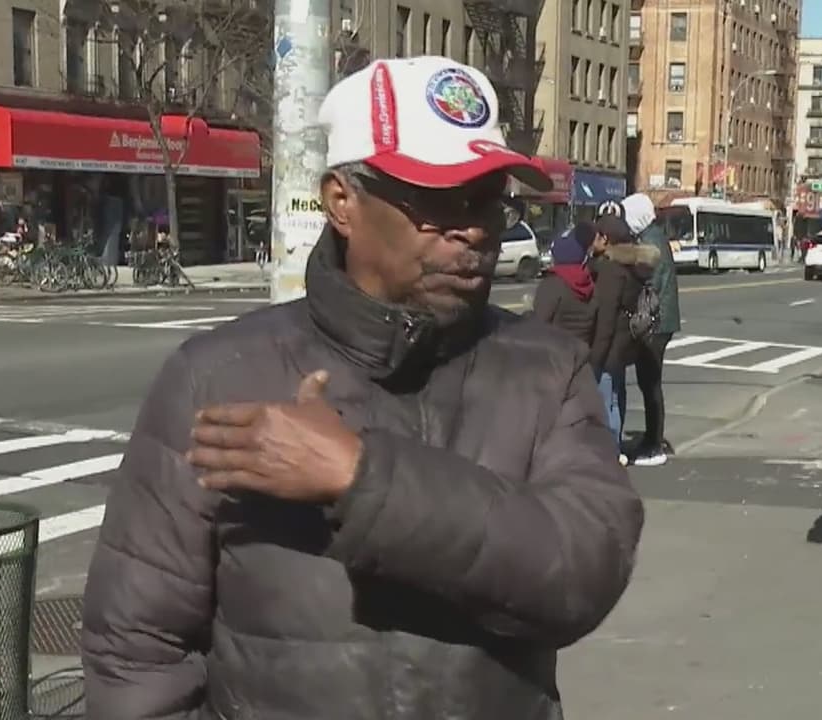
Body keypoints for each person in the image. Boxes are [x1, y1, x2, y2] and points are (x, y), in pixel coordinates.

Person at [80, 56, 645, 720]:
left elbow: (582, 574)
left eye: (488, 201)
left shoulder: (546, 370)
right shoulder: (216, 376)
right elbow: (137, 652)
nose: (472, 230)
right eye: (436, 200)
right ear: (342, 202)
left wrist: (363, 478)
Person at [589, 212, 659, 462]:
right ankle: (615, 447)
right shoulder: (632, 265)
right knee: (616, 397)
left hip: (611, 347)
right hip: (625, 344)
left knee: (606, 399)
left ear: (605, 239)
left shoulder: (611, 270)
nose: (592, 240)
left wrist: (596, 356)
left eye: (596, 236)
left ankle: (611, 451)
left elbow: (606, 318)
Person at [620, 193, 681, 466]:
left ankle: (654, 444)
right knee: (649, 383)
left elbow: (647, 281)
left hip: (656, 322)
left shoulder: (649, 241)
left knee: (650, 383)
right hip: (662, 320)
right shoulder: (653, 235)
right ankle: (651, 438)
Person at [531, 221, 597, 345]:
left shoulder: (552, 285)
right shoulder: (590, 284)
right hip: (583, 351)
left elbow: (539, 324)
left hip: (556, 351)